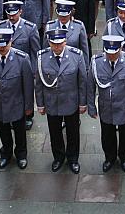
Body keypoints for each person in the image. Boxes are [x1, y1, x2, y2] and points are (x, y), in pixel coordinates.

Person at [87, 35, 125, 173]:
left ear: (120, 49)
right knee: (107, 135)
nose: (111, 56)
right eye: (108, 53)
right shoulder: (96, 62)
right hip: (106, 107)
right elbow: (90, 86)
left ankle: (124, 158)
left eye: (114, 53)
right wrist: (91, 107)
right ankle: (110, 158)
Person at [35, 28, 87, 174]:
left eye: (60, 44)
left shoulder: (76, 56)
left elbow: (82, 81)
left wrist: (83, 103)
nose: (57, 47)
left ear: (65, 41)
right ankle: (58, 157)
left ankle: (73, 159)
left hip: (71, 102)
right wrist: (40, 104)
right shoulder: (42, 57)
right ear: (49, 43)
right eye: (53, 44)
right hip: (52, 102)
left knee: (73, 132)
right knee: (54, 132)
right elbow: (38, 83)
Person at [0, 28, 34, 169]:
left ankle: (21, 154)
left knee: (20, 131)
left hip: (17, 103)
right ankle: (6, 153)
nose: (2, 47)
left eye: (5, 44)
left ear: (11, 41)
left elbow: (28, 86)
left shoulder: (22, 59)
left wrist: (29, 106)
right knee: (3, 131)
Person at [0, 0, 41, 75]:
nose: (11, 17)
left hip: (24, 68)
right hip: (7, 68)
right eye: (9, 14)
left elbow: (35, 52)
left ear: (20, 12)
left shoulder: (30, 28)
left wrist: (34, 71)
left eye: (14, 14)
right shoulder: (1, 27)